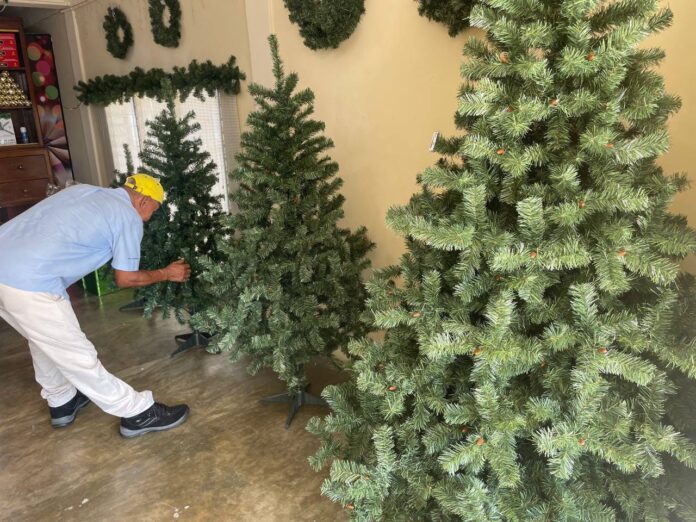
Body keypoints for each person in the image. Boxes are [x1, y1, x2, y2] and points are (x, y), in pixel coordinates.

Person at [0, 174, 191, 438]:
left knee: (43, 338)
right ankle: (137, 413)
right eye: (153, 210)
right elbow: (126, 278)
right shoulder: (127, 215)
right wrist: (168, 273)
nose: (149, 218)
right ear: (144, 200)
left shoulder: (83, 192)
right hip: (30, 281)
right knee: (78, 355)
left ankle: (62, 401)